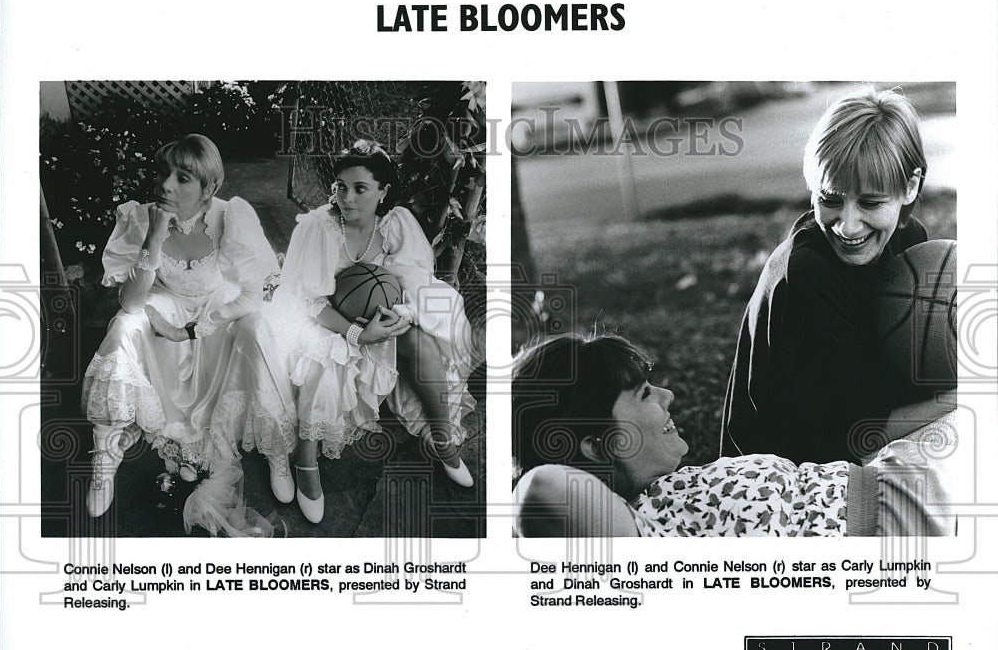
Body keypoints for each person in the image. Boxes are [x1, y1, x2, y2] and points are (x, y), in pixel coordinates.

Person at [212, 140, 476, 523]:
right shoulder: (318, 227)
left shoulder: (396, 223)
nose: (347, 197)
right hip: (324, 321)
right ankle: (306, 460)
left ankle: (442, 438)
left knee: (418, 338)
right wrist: (356, 333)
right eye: (340, 186)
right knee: (325, 358)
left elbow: (415, 282)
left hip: (376, 318)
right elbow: (304, 301)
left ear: (383, 192)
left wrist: (400, 316)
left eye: (360, 188)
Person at [512, 332, 954, 537]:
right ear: (596, 443)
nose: (668, 396)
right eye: (644, 394)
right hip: (910, 517)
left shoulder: (671, 492)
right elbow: (541, 488)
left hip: (900, 472)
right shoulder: (642, 537)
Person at [721, 87, 932, 466]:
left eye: (870, 202)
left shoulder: (911, 241)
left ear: (910, 186)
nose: (848, 226)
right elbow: (856, 435)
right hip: (786, 476)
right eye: (830, 199)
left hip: (852, 442)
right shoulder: (807, 271)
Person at [80, 134, 280, 535]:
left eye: (182, 177)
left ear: (209, 187)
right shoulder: (140, 216)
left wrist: (192, 329)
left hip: (215, 306)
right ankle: (105, 450)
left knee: (257, 328)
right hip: (163, 301)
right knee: (122, 326)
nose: (166, 184)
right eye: (163, 172)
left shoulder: (231, 216)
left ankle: (279, 445)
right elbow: (133, 302)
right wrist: (154, 235)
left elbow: (251, 294)